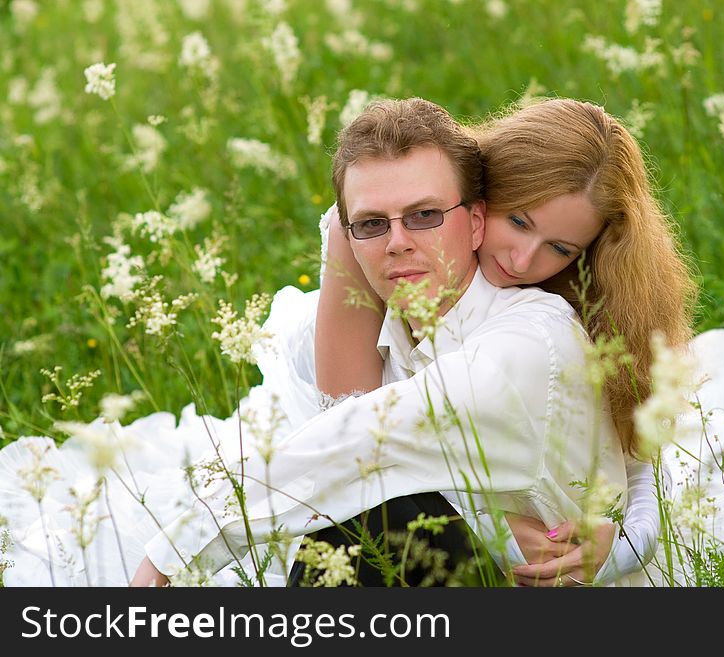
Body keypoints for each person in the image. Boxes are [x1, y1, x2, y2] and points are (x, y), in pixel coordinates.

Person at [310, 97, 724, 586]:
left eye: (561, 248)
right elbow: (356, 428)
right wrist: (485, 522)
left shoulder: (573, 312)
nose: (522, 260)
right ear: (480, 199)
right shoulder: (394, 232)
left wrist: (622, 544)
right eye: (520, 222)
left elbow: (645, 454)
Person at [127, 97, 633, 587]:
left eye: (425, 216)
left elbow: (360, 443)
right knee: (356, 507)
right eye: (371, 224)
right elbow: (345, 451)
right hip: (452, 569)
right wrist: (491, 527)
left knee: (370, 516)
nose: (396, 242)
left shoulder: (528, 341)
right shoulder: (371, 333)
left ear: (475, 221)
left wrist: (170, 555)